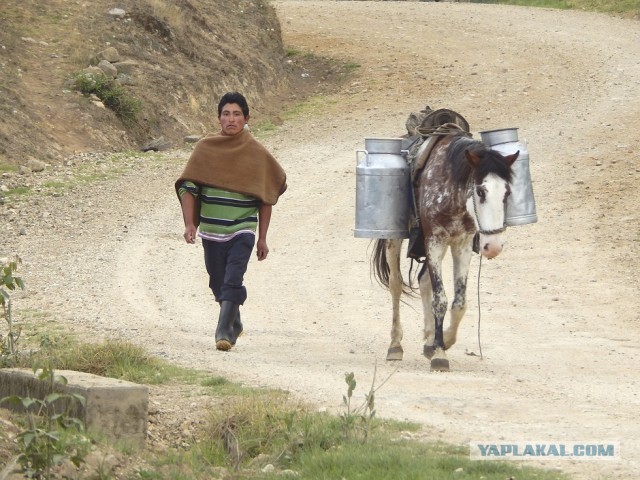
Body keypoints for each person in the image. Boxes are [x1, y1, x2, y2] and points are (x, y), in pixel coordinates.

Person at [175, 92, 287, 351]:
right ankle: (234, 319)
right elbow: (188, 187)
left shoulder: (257, 153)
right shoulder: (205, 148)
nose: (231, 119)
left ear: (247, 118)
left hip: (242, 229)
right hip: (212, 230)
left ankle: (223, 331)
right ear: (218, 118)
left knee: (233, 278)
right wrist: (190, 223)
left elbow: (267, 196)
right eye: (226, 114)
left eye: (237, 114)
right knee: (217, 282)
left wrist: (262, 237)